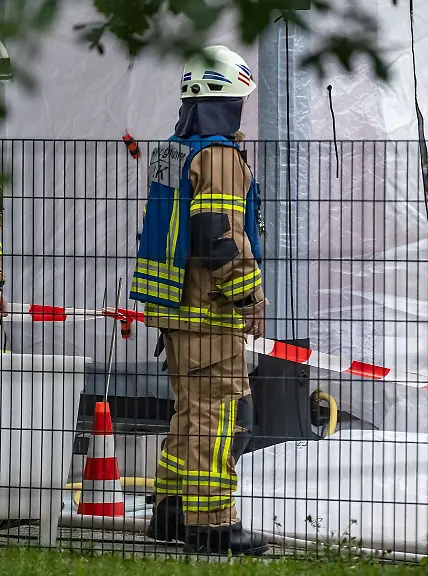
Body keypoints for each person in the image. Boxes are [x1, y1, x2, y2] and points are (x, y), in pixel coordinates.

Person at [129, 45, 268, 555]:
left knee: (188, 411)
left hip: (174, 304)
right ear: (230, 98)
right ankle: (212, 523)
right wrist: (249, 295)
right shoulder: (220, 157)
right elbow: (219, 235)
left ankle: (170, 512)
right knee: (223, 412)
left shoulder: (172, 150)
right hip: (211, 308)